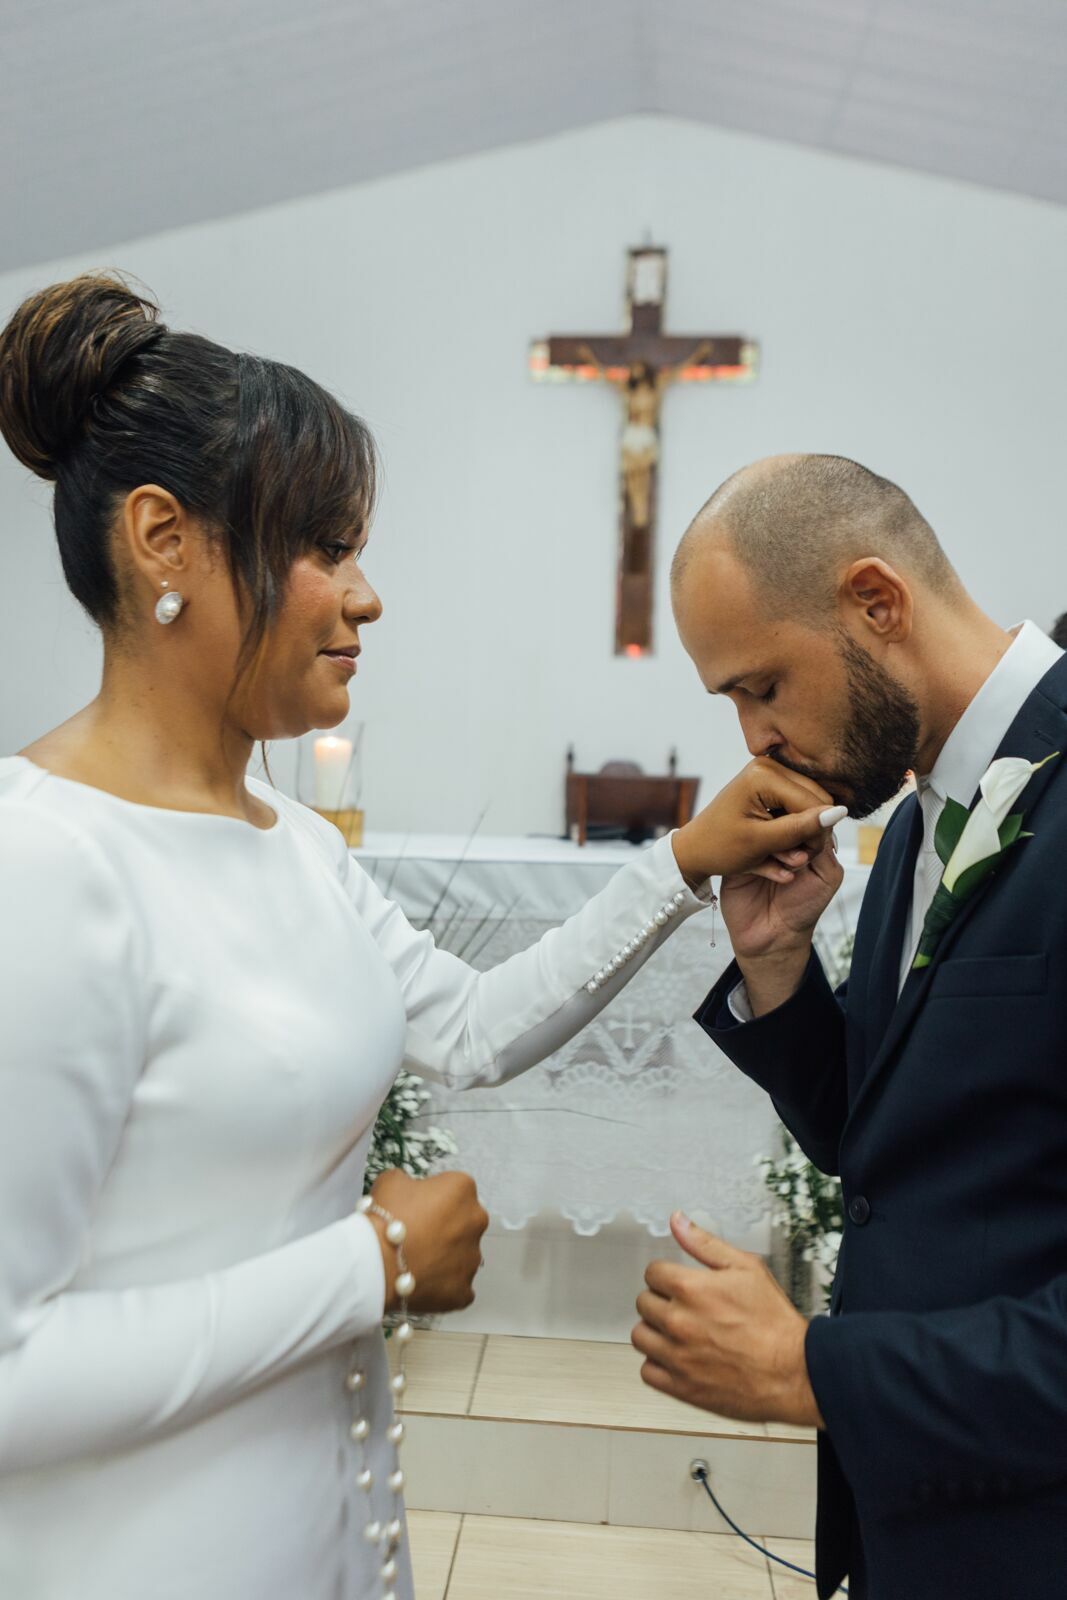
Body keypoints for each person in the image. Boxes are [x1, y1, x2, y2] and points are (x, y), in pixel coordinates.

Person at [0, 278, 843, 1600]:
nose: (366, 596)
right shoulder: (44, 865)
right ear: (162, 538)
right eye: (321, 548)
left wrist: (681, 859)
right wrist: (369, 1265)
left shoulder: (287, 840)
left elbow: (464, 1023)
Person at [632, 452, 1067, 1599]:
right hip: (917, 1523)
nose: (750, 741)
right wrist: (776, 967)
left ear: (876, 604)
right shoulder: (917, 819)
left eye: (761, 685)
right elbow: (898, 1149)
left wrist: (811, 1371)